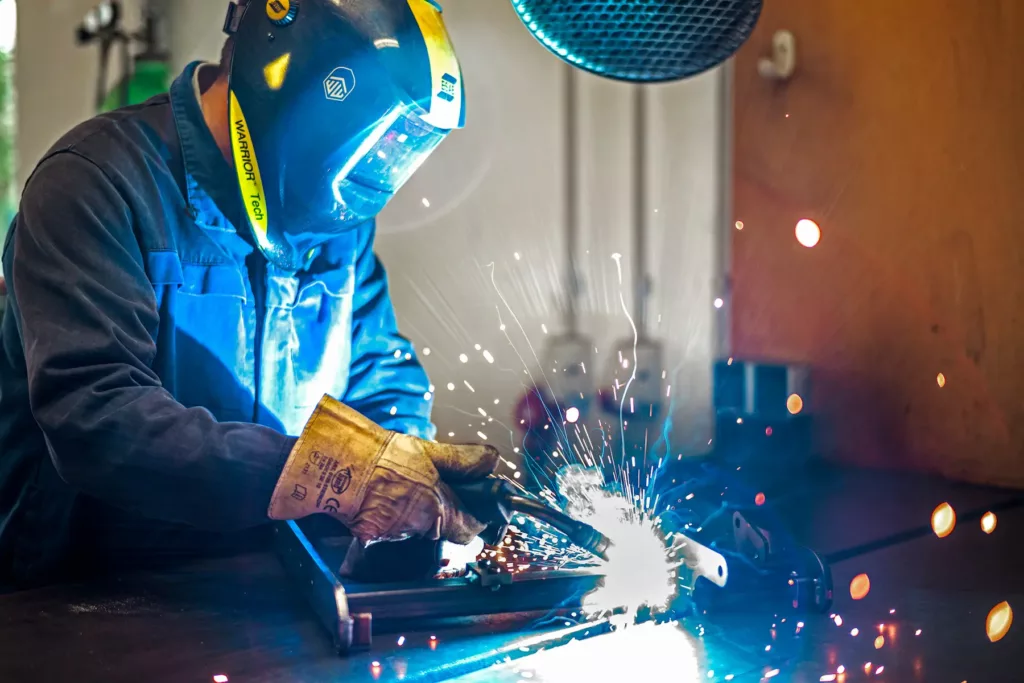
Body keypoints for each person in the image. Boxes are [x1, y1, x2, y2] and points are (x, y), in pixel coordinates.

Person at [0, 0, 498, 588]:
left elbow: (379, 375)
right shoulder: (98, 182)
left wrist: (406, 471)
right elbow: (97, 416)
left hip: (265, 589)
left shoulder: (338, 223)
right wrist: (332, 474)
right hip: (91, 599)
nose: (376, 165)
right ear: (290, 63)